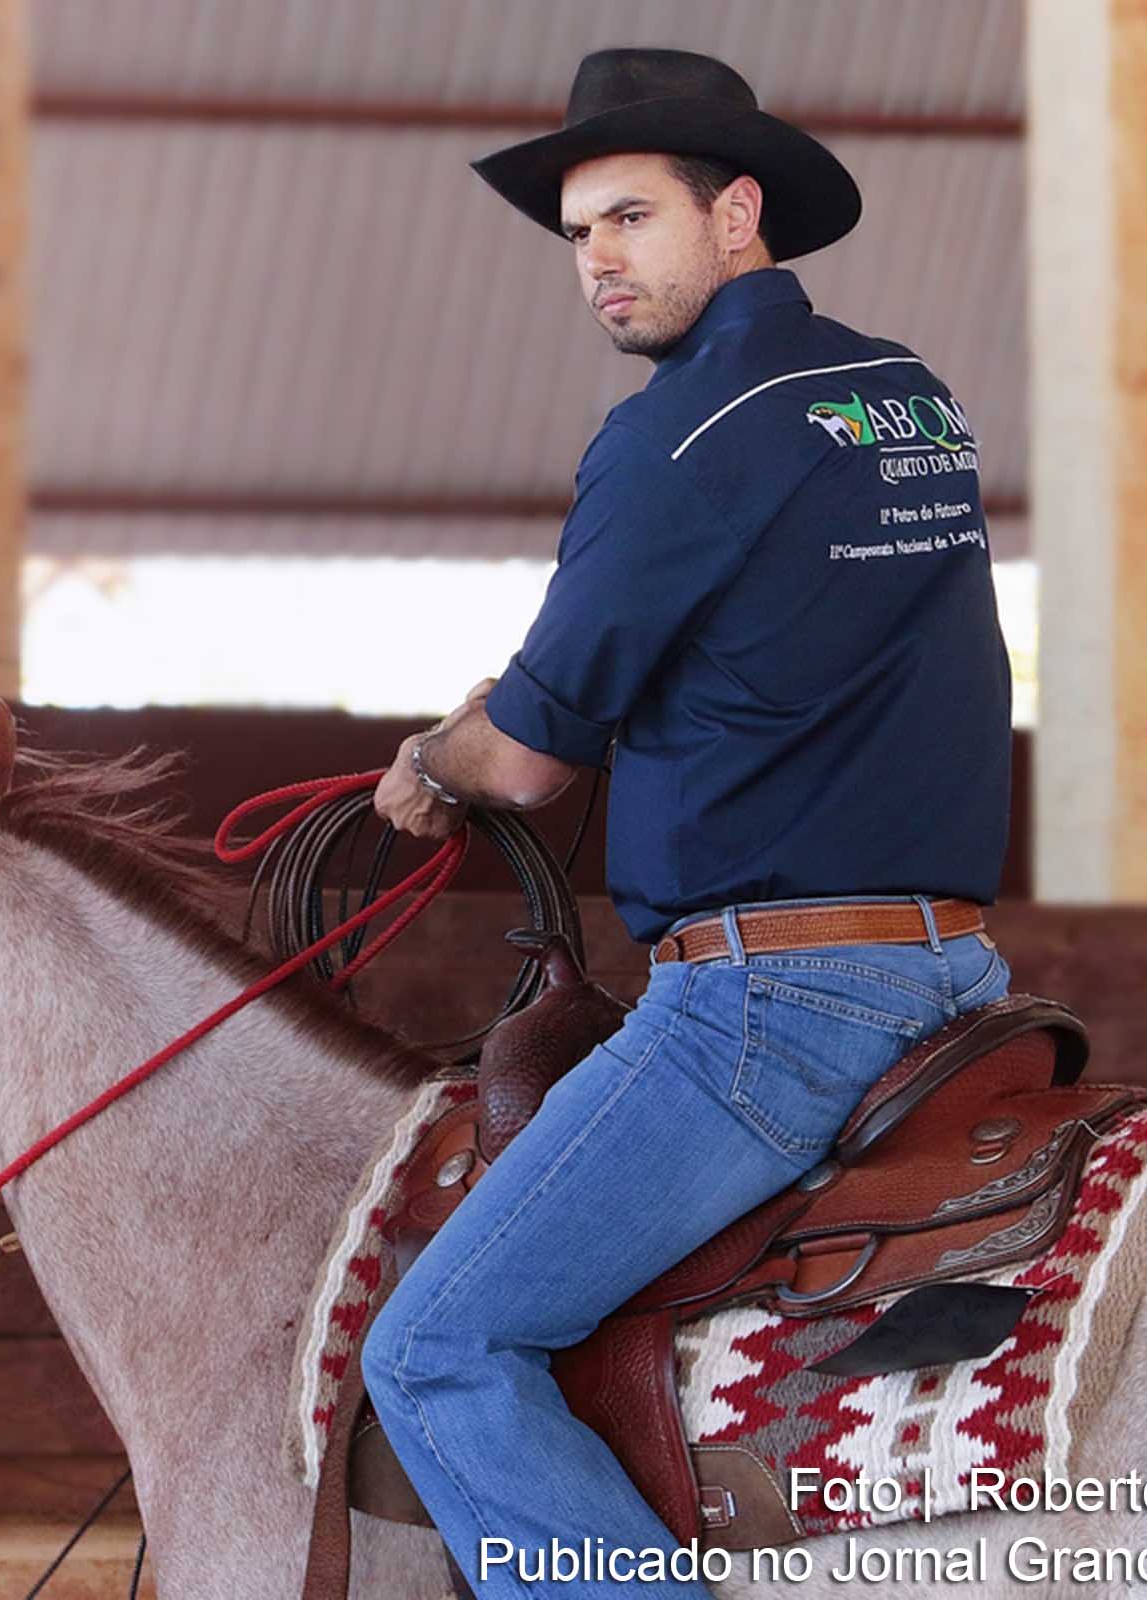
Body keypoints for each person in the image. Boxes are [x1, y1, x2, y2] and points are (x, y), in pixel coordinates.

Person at [358, 49, 1015, 1598]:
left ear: (738, 214)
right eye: (579, 232)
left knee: (439, 1345)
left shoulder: (675, 439)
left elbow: (525, 761)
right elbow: (785, 649)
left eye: (632, 218)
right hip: (954, 972)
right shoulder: (907, 400)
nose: (596, 260)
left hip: (764, 1007)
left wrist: (436, 754)